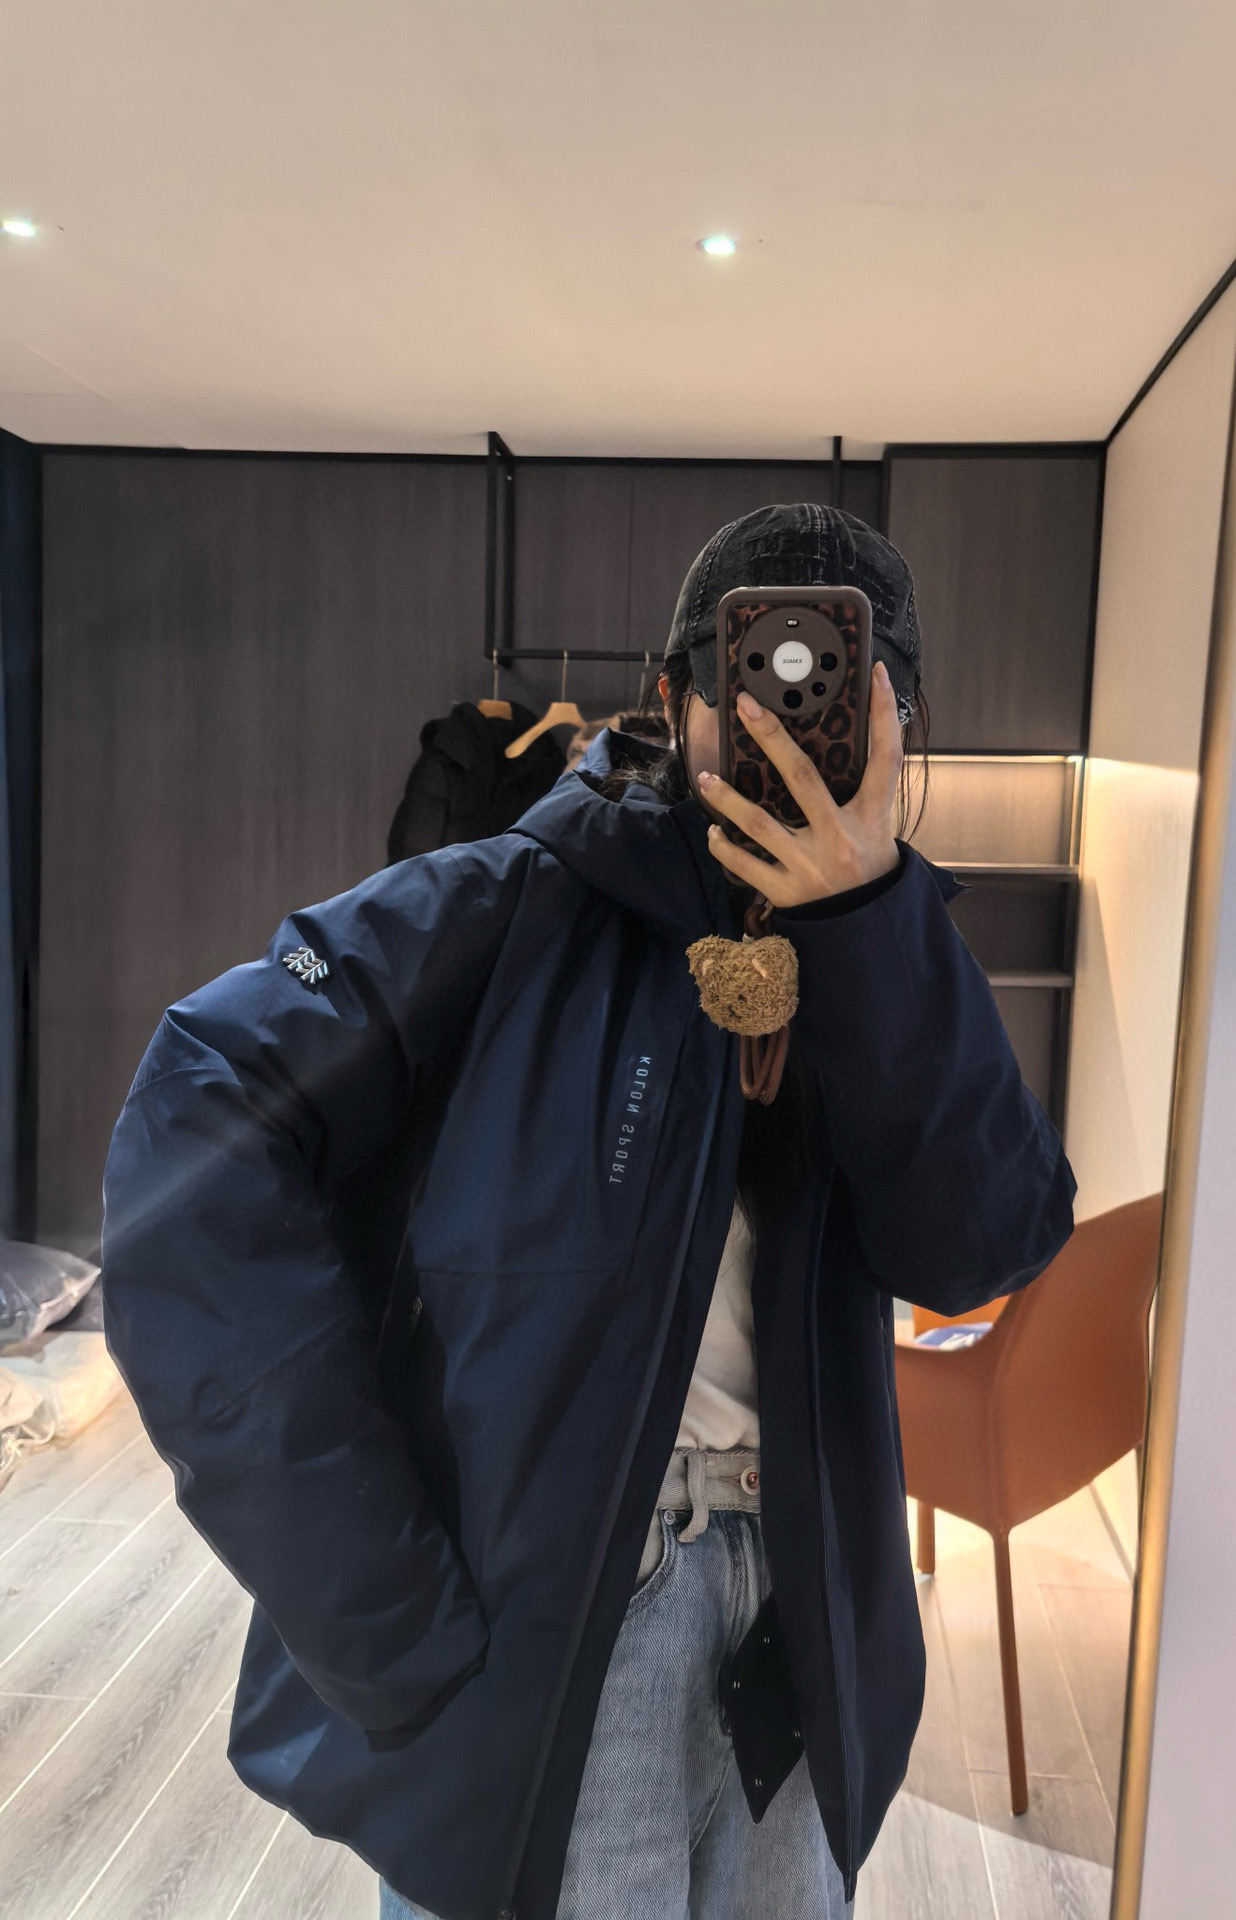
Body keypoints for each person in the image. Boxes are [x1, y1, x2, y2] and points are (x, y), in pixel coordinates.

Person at [101, 504, 1075, 1920]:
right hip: (549, 1625)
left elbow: (981, 1246)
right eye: (756, 680)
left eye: (847, 698)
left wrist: (871, 931)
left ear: (900, 734)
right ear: (676, 701)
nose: (793, 729)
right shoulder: (510, 909)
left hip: (799, 1638)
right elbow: (197, 1114)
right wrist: (370, 1595)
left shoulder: (896, 966)